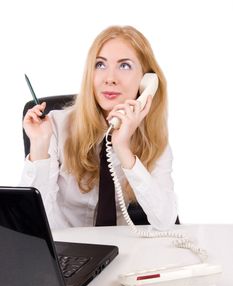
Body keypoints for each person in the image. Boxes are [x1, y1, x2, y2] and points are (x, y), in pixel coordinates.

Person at [20, 25, 178, 230]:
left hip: (121, 251)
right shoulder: (57, 126)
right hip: (67, 249)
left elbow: (165, 220)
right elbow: (29, 222)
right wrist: (40, 148)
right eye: (100, 65)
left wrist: (123, 148)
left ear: (146, 80)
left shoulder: (153, 138)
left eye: (125, 66)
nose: (110, 78)